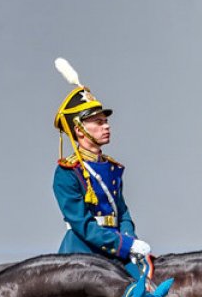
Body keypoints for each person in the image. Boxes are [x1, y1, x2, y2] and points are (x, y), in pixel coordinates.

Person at [52, 58, 151, 279]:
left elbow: (121, 211)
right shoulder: (68, 172)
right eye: (97, 122)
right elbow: (82, 224)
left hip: (116, 247)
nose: (106, 126)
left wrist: (130, 239)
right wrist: (124, 245)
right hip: (83, 251)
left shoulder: (111, 167)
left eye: (105, 121)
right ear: (79, 129)